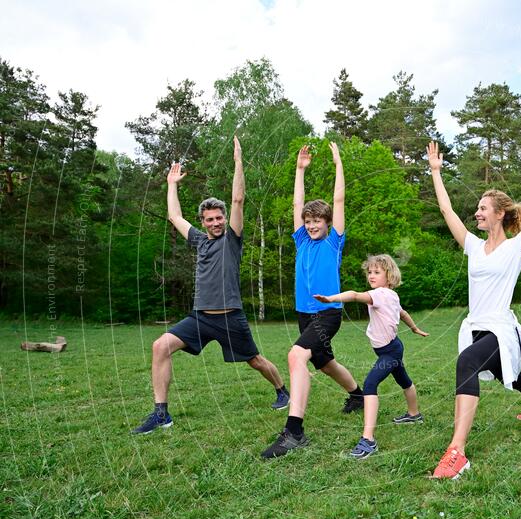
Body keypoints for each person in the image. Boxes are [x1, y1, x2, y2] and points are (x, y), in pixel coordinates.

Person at [426, 123, 521, 479]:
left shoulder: (516, 247)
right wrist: (435, 173)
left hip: (500, 328)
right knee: (514, 377)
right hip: (476, 328)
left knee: (467, 364)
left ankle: (456, 452)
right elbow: (447, 212)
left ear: (499, 214)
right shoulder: (474, 248)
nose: (476, 213)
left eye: (482, 208)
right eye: (476, 208)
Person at [131, 136, 287, 435]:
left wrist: (239, 162)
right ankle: (161, 414)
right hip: (201, 317)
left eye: (219, 218)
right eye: (210, 219)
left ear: (225, 218)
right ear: (202, 222)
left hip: (230, 318)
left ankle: (282, 390)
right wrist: (172, 184)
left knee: (255, 361)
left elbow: (239, 199)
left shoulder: (232, 239)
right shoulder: (200, 241)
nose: (216, 223)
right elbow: (174, 215)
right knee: (159, 346)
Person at [260, 142, 363, 459]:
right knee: (325, 363)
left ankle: (294, 432)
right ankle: (358, 395)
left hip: (328, 313)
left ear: (328, 222)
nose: (311, 224)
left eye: (317, 220)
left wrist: (338, 164)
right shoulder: (301, 239)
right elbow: (296, 204)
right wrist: (299, 170)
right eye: (307, 221)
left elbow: (339, 199)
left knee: (295, 356)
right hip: (304, 313)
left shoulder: (334, 242)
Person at [314, 254, 428, 460]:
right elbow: (402, 313)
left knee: (370, 385)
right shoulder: (392, 296)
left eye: (377, 272)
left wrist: (332, 298)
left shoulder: (380, 295)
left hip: (389, 351)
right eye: (369, 272)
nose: (371, 276)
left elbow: (356, 296)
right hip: (393, 347)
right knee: (404, 380)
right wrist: (414, 328)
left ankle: (368, 440)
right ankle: (414, 415)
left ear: (389, 275)